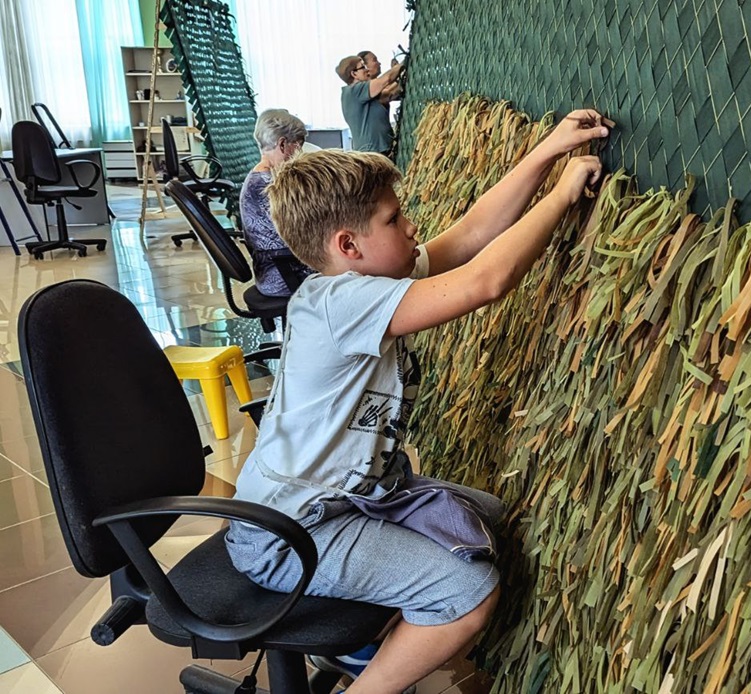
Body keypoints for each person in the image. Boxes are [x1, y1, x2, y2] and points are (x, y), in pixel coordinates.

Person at [225, 109, 611, 693]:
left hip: (343, 503)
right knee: (466, 593)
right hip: (289, 535)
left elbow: (471, 236)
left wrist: (546, 151)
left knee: (488, 518)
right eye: (394, 217)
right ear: (349, 244)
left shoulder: (367, 281)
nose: (411, 227)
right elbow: (487, 280)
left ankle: (362, 646)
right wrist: (561, 195)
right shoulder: (338, 303)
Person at [239, 109, 314, 296]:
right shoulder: (268, 185)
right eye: (298, 145)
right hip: (284, 275)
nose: (300, 152)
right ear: (282, 144)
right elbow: (301, 230)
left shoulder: (259, 177)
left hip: (277, 270)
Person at [336, 54, 404, 154]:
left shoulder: (360, 94)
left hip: (379, 151)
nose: (367, 70)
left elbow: (389, 93)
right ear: (354, 74)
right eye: (363, 67)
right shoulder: (355, 90)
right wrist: (403, 63)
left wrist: (400, 75)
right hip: (372, 153)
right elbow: (386, 79)